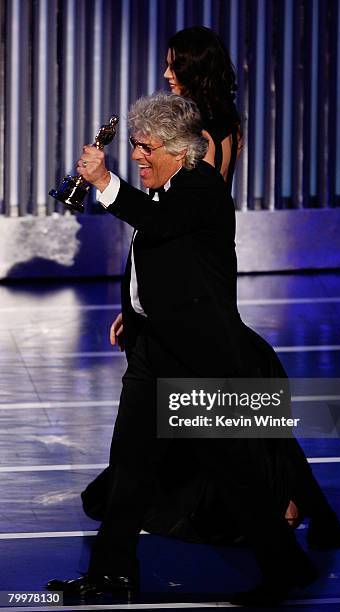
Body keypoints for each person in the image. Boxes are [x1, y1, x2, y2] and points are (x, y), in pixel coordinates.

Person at [47, 92, 317, 606]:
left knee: (234, 471)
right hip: (154, 351)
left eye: (146, 147)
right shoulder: (165, 189)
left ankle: (286, 568)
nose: (138, 156)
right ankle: (112, 573)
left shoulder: (201, 188)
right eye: (134, 145)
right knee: (129, 466)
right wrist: (134, 306)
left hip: (201, 359)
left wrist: (104, 183)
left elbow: (162, 225)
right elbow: (154, 250)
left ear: (178, 148)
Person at [164, 25, 242, 192]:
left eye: (174, 67)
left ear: (196, 69)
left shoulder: (198, 131)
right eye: (167, 65)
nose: (166, 74)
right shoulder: (231, 122)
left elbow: (191, 206)